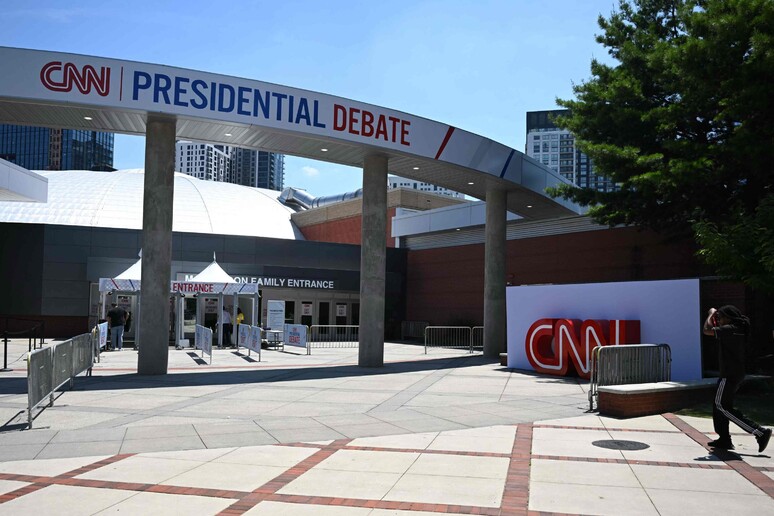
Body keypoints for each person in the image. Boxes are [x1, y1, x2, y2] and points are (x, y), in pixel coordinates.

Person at [703, 305, 771, 452]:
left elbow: (707, 330)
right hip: (735, 374)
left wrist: (711, 314)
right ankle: (724, 440)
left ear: (728, 317)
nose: (719, 320)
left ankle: (759, 432)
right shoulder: (737, 330)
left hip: (728, 375)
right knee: (718, 405)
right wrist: (716, 317)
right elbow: (715, 329)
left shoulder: (729, 329)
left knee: (722, 406)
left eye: (721, 317)